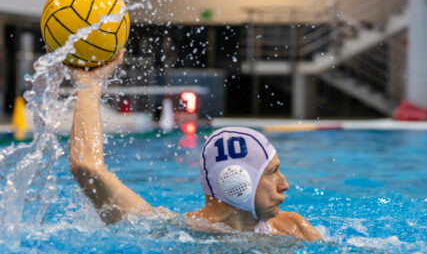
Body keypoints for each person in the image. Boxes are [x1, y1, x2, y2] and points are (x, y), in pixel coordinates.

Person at [69, 50, 323, 242]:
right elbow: (87, 167)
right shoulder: (174, 231)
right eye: (271, 172)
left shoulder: (293, 228)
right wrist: (89, 84)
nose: (284, 184)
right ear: (237, 179)